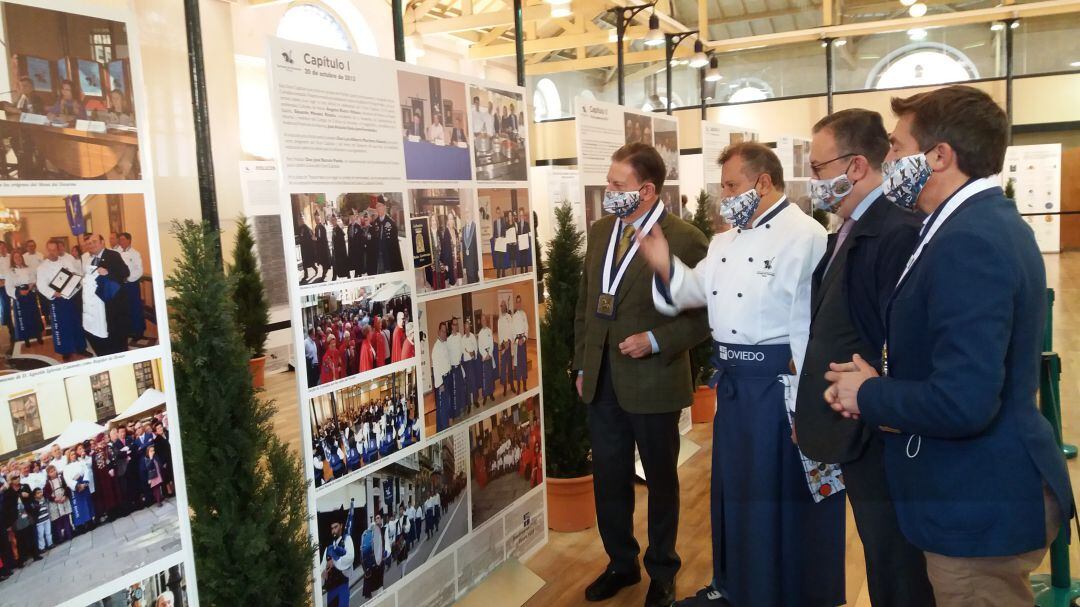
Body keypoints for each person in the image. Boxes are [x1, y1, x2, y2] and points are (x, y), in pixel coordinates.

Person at [824, 85, 1073, 607]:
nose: (886, 159)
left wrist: (869, 395)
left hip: (977, 501)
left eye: (895, 147)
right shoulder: (963, 225)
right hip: (969, 493)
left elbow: (964, 400)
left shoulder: (971, 239)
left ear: (939, 156)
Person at [638, 141, 842, 607]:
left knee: (778, 493)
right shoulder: (725, 241)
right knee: (736, 490)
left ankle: (784, 591)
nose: (724, 196)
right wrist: (663, 263)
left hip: (778, 387)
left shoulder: (806, 235)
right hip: (733, 385)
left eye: (732, 185)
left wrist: (807, 398)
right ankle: (737, 585)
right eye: (723, 186)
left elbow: (812, 319)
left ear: (763, 182)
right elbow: (691, 291)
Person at [792, 109, 932, 607]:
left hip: (878, 432)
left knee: (897, 564)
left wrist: (873, 401)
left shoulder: (894, 231)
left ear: (853, 166)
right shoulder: (849, 228)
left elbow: (901, 341)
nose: (813, 181)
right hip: (855, 425)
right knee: (880, 556)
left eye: (817, 168)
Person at [574, 143, 710, 607]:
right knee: (608, 478)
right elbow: (585, 304)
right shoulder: (599, 232)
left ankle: (663, 570)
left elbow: (703, 315)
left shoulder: (684, 237)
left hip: (654, 379)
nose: (608, 192)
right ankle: (621, 562)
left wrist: (655, 340)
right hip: (602, 380)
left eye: (617, 185)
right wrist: (580, 363)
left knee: (660, 480)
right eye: (609, 183)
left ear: (646, 190)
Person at [80, 233, 131, 355]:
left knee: (117, 334)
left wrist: (108, 271)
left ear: (102, 242)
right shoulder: (89, 259)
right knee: (105, 333)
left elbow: (125, 272)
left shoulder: (112, 255)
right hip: (99, 305)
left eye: (94, 241)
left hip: (114, 303)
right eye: (89, 243)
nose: (91, 245)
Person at [6, 250, 43, 348]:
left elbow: (34, 279)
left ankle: (38, 336)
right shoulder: (10, 272)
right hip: (19, 298)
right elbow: (8, 288)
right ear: (12, 260)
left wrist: (31, 286)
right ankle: (26, 338)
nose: (18, 259)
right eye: (15, 257)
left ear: (22, 258)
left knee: (34, 316)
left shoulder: (29, 269)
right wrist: (18, 292)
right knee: (23, 319)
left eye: (19, 257)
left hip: (30, 296)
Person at [116, 232, 146, 343]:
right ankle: (128, 330)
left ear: (129, 240)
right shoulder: (116, 253)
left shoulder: (135, 253)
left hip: (131, 284)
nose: (121, 242)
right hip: (120, 285)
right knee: (124, 308)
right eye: (120, 240)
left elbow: (139, 270)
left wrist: (128, 278)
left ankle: (138, 332)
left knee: (135, 308)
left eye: (123, 239)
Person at [321, 519, 354, 607]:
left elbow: (350, 557)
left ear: (341, 526)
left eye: (336, 527)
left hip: (342, 586)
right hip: (330, 590)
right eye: (332, 528)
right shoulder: (328, 547)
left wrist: (335, 562)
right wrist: (323, 573)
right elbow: (323, 567)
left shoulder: (347, 539)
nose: (334, 531)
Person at [374, 196, 404, 274]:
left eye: (379, 206)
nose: (378, 208)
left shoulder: (391, 223)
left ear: (384, 207)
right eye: (377, 207)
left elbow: (394, 244)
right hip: (379, 257)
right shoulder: (375, 222)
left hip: (388, 257)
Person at [432, 322, 452, 431]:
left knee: (446, 404)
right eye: (443, 331)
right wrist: (440, 384)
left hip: (447, 377)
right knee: (442, 407)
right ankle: (443, 429)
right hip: (442, 381)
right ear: (439, 332)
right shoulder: (436, 348)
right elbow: (436, 368)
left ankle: (442, 428)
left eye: (446, 331)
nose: (445, 334)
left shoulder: (444, 344)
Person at [511, 295, 529, 393]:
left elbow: (526, 328)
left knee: (523, 365)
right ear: (515, 303)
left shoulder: (524, 314)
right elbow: (513, 333)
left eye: (519, 301)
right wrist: (518, 341)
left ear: (521, 302)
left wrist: (524, 339)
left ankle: (525, 386)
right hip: (517, 344)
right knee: (517, 366)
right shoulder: (513, 317)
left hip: (523, 341)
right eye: (517, 302)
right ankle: (518, 387)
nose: (518, 304)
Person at [477, 314, 496, 405]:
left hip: (490, 356)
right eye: (482, 319)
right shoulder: (480, 333)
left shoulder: (489, 331)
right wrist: (485, 355)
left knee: (490, 377)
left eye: (485, 319)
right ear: (481, 322)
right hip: (484, 358)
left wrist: (489, 354)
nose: (484, 321)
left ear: (486, 321)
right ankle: (485, 396)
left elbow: (491, 344)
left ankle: (491, 394)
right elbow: (480, 347)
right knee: (485, 378)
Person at [497, 302, 514, 397]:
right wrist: (503, 343)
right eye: (501, 306)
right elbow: (499, 334)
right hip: (503, 345)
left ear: (505, 307)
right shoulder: (499, 320)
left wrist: (509, 341)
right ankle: (504, 388)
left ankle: (511, 385)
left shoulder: (509, 317)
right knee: (503, 368)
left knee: (510, 367)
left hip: (509, 344)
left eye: (503, 305)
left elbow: (511, 330)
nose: (501, 307)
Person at [461, 203, 479, 284]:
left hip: (474, 264)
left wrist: (478, 267)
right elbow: (464, 249)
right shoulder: (463, 229)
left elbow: (477, 249)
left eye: (468, 212)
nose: (467, 214)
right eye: (465, 213)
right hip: (467, 265)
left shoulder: (475, 227)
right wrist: (464, 266)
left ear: (471, 213)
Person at [314, 212, 332, 281]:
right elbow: (317, 237)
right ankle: (324, 273)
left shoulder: (322, 227)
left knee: (325, 263)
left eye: (318, 219)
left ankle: (323, 276)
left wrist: (316, 239)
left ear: (320, 219)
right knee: (322, 262)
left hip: (324, 249)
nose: (317, 220)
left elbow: (323, 238)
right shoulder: (316, 227)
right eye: (315, 219)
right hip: (320, 249)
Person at [348, 211, 365, 278]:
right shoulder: (349, 227)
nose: (352, 218)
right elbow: (349, 237)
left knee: (358, 260)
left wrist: (361, 247)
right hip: (351, 248)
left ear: (355, 217)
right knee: (354, 261)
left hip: (358, 248)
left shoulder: (358, 226)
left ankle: (358, 273)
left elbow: (361, 238)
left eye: (353, 217)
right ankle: (356, 272)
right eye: (351, 217)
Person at [331, 215, 349, 280]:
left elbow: (342, 242)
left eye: (334, 220)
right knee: (335, 263)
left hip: (340, 251)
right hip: (335, 250)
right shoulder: (334, 229)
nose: (332, 221)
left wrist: (339, 250)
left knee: (342, 263)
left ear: (336, 221)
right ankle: (334, 275)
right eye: (331, 220)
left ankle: (347, 274)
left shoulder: (338, 229)